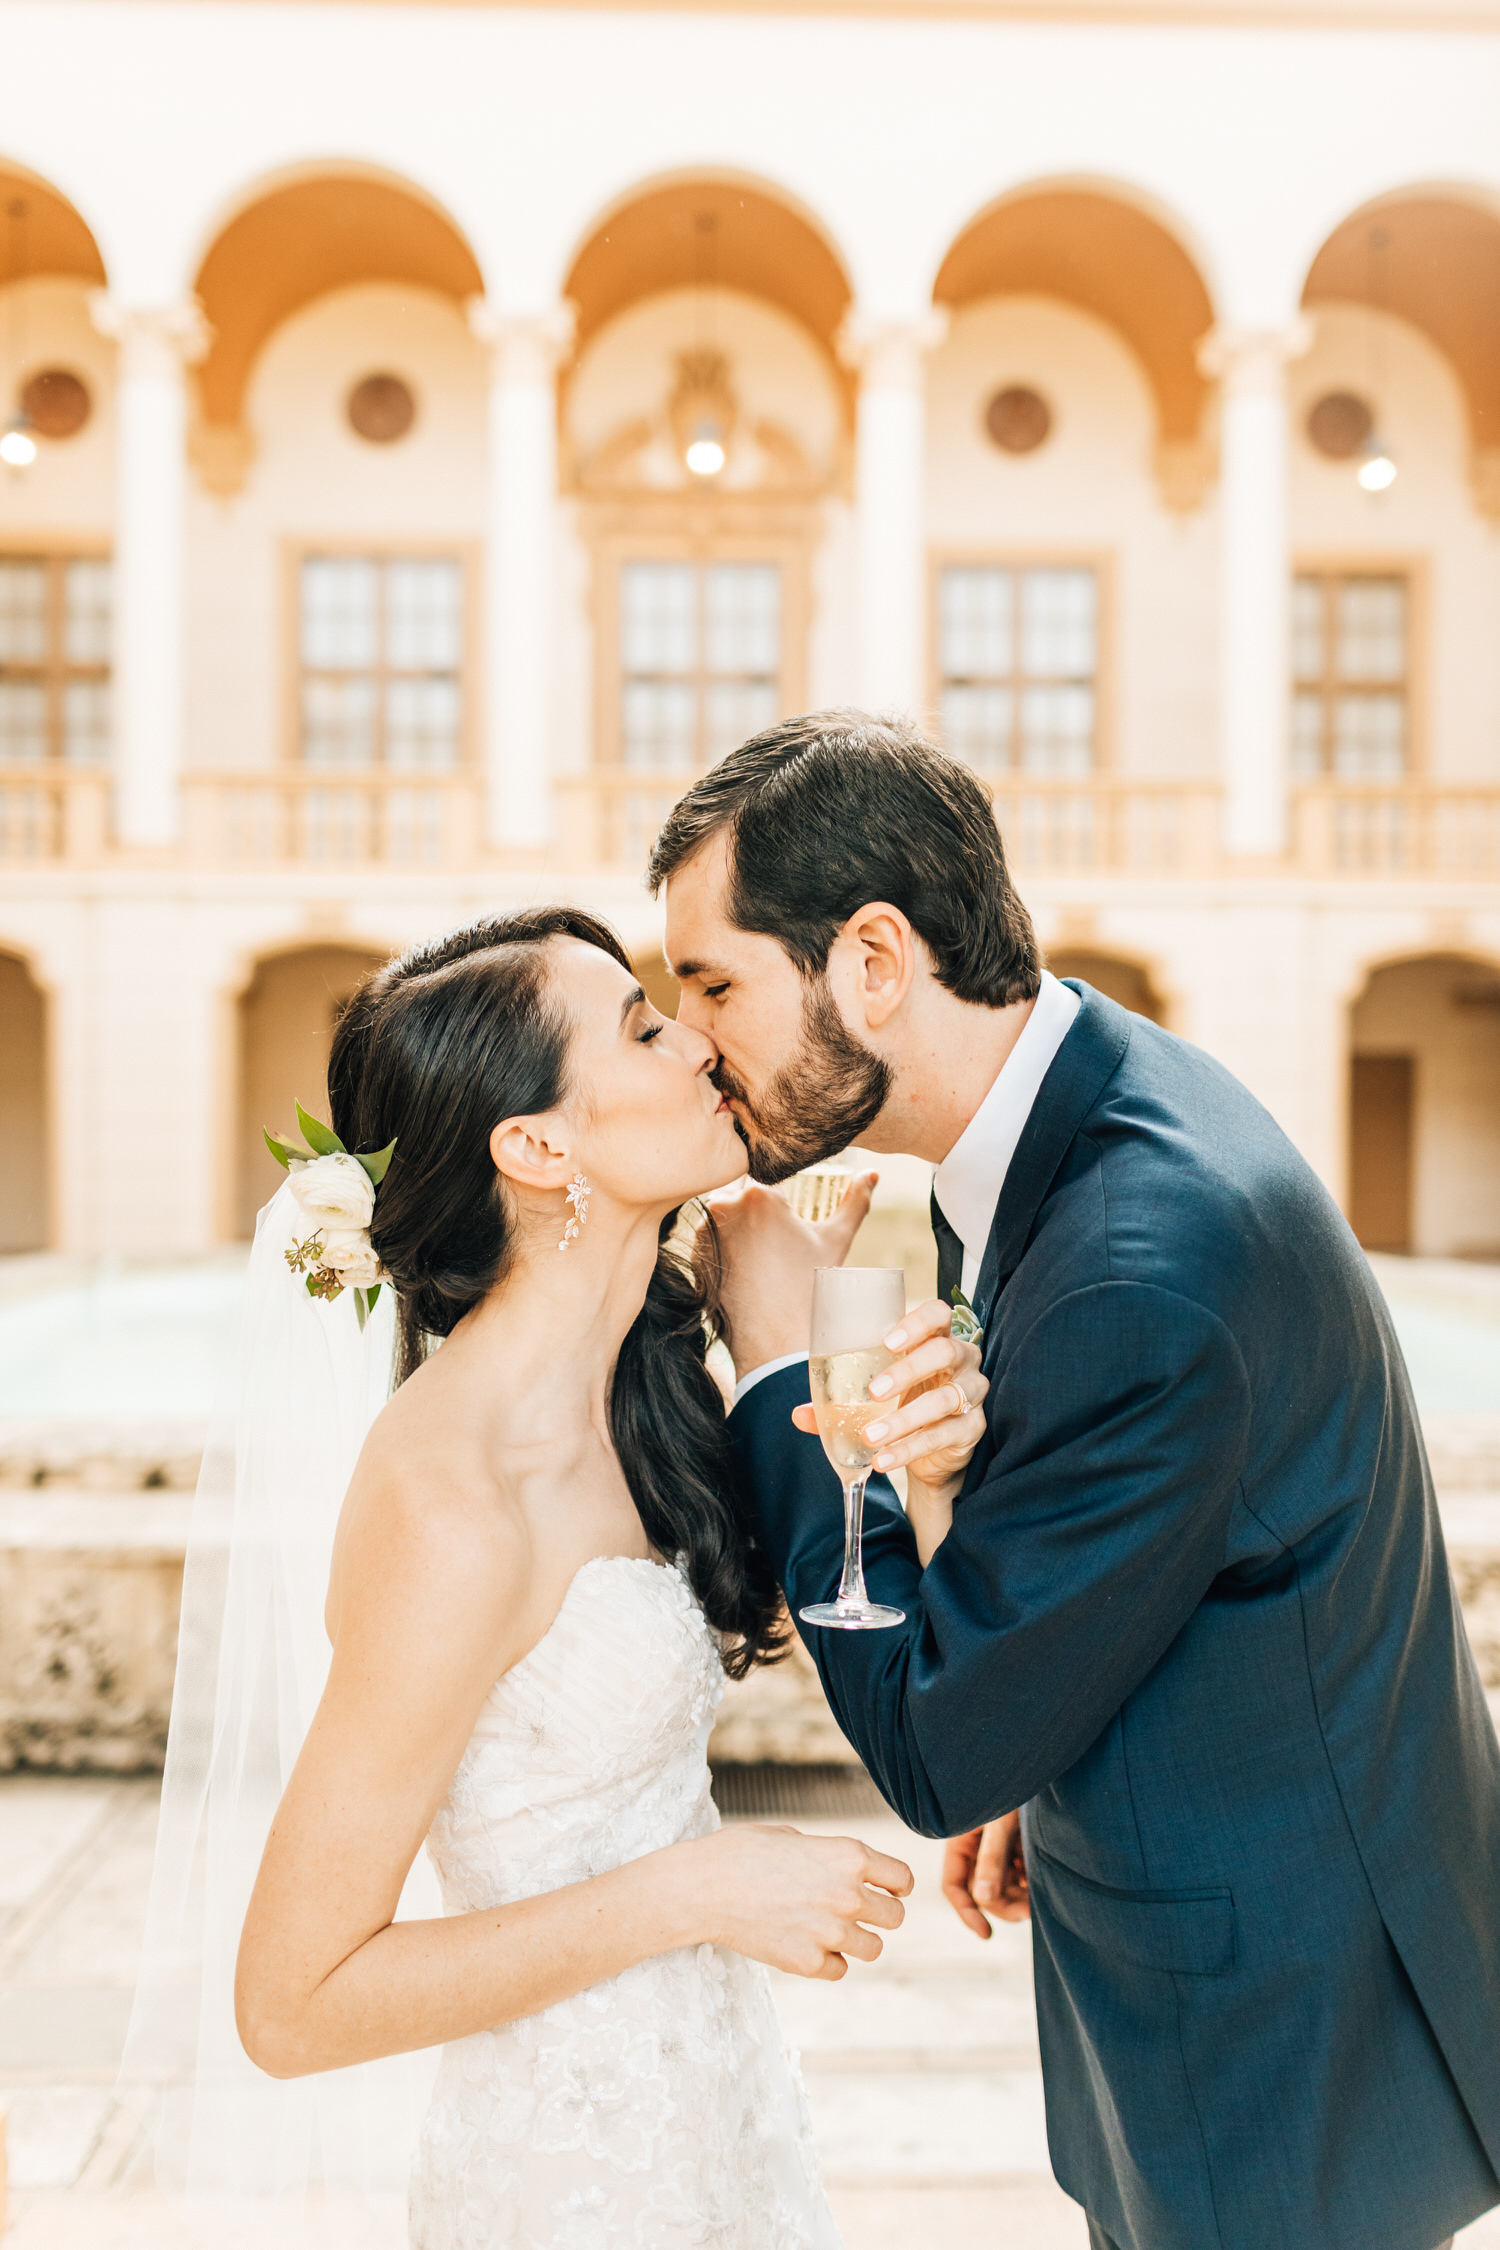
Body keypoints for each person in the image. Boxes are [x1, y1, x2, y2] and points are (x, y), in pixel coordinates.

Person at [650, 710, 1500, 2250]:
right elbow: (1158, 1541)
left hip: (1272, 2052)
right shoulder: (1074, 1107)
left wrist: (783, 1369)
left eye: (714, 984)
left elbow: (930, 1744)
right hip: (1257, 1920)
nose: (697, 1040)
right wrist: (1057, 1726)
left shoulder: (1133, 1260)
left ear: (875, 961)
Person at [179, 904, 985, 2250]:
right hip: (565, 2168)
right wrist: (698, 1889)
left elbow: (833, 1618)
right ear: (539, 1145)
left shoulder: (649, 1398)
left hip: (716, 2108)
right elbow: (292, 1998)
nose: (701, 1040)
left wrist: (912, 1445)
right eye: (645, 1025)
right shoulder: (453, 1503)